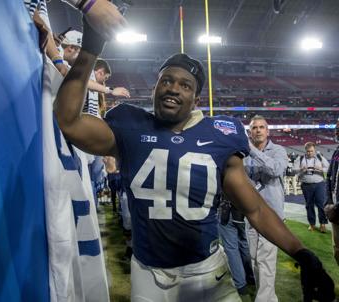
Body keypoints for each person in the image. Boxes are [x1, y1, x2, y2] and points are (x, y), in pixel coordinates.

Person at [53, 18, 335, 301]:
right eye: (166, 80)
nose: (174, 88)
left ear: (196, 99)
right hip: (148, 273)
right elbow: (68, 120)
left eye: (185, 85)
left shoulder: (219, 136)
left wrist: (303, 254)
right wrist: (89, 49)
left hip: (206, 271)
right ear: (154, 89)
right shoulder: (129, 126)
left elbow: (256, 210)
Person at [244, 115, 288, 302]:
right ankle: (269, 298)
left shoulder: (278, 150)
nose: (259, 130)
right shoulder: (243, 154)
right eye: (255, 127)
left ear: (268, 131)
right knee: (254, 260)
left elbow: (275, 170)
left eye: (262, 127)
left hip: (272, 215)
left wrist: (252, 151)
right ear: (250, 132)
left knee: (266, 261)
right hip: (251, 213)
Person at [218, 195, 254, 296]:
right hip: (248, 210)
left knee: (231, 248)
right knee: (245, 244)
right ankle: (251, 277)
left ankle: (240, 284)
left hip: (229, 209)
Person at [294, 142, 330, 232]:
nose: (310, 153)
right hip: (306, 185)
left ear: (315, 150)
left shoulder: (319, 157)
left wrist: (321, 169)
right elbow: (294, 170)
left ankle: (323, 224)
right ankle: (312, 224)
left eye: (312, 151)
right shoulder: (300, 158)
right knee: (309, 205)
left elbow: (328, 167)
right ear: (305, 150)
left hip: (319, 184)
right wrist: (301, 169)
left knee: (321, 204)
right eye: (308, 151)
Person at [325, 119, 339, 265]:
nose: (336, 131)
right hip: (335, 212)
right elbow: (329, 177)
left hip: (337, 209)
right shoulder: (337, 151)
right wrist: (328, 202)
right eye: (336, 128)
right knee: (337, 250)